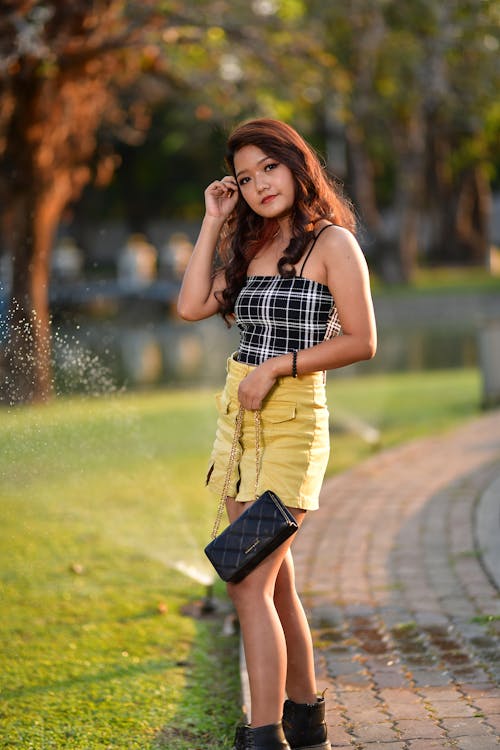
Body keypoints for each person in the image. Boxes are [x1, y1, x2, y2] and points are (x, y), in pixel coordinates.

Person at [177, 118, 377, 750]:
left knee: (246, 580)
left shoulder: (333, 244)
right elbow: (189, 306)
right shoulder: (248, 244)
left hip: (292, 426)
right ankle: (304, 715)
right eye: (244, 176)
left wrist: (277, 367)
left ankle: (263, 736)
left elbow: (362, 340)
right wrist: (213, 221)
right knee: (275, 580)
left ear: (296, 164)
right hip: (239, 429)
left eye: (269, 167)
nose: (259, 184)